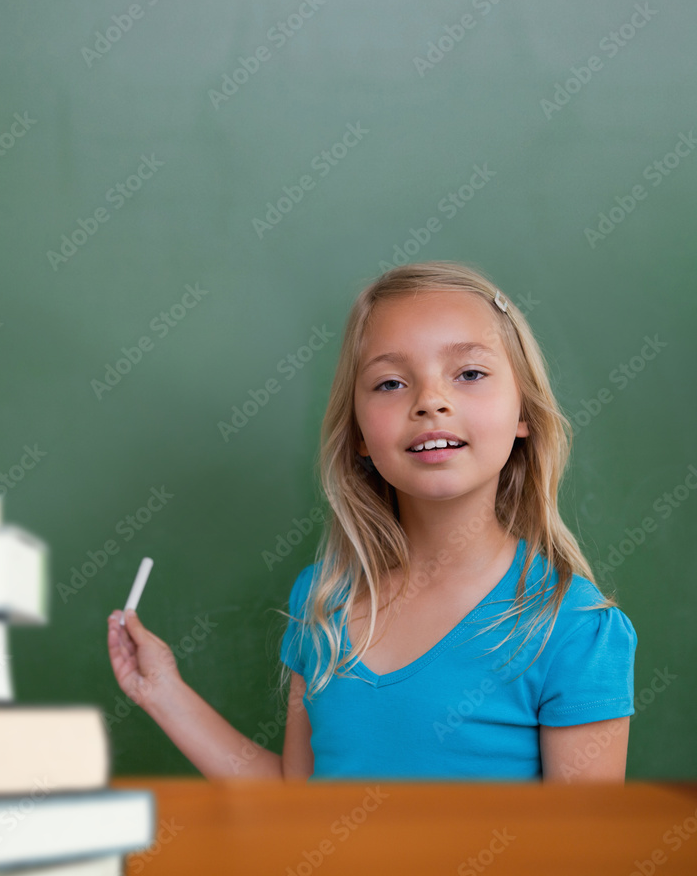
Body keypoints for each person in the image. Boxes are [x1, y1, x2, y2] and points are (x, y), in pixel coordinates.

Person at [106, 260, 637, 782]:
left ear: (523, 413)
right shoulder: (322, 601)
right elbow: (295, 807)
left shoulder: (574, 629)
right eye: (390, 384)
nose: (432, 401)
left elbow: (579, 849)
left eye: (470, 373)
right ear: (359, 433)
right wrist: (164, 693)